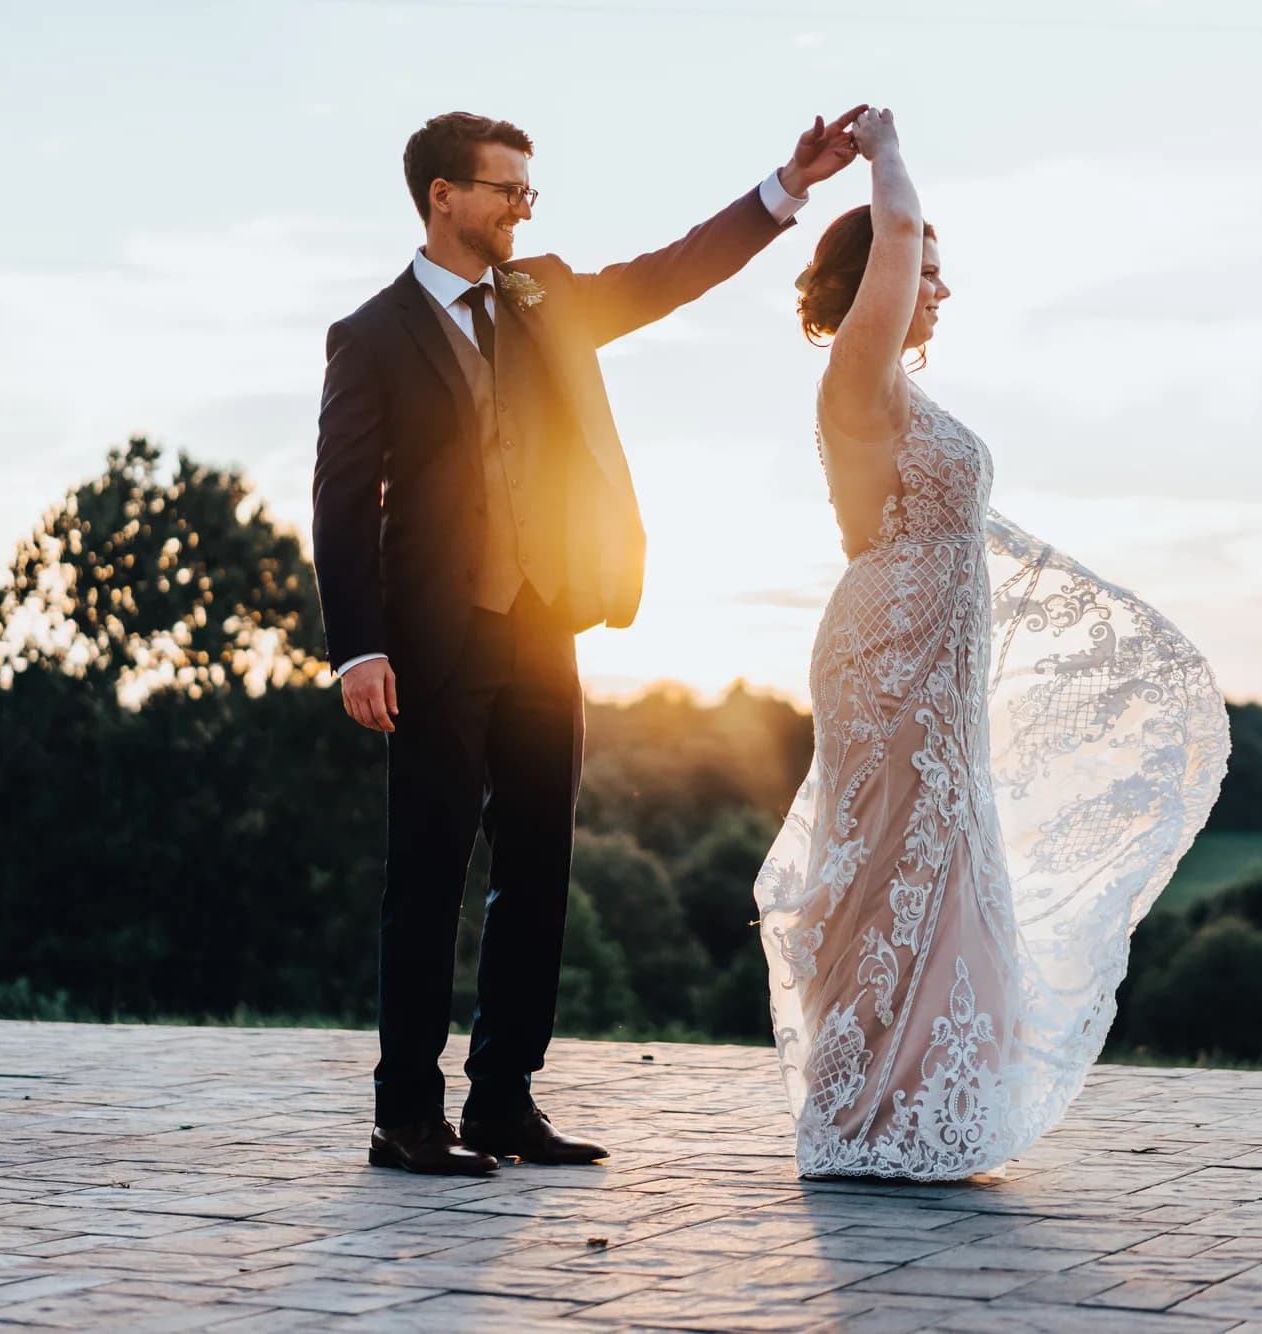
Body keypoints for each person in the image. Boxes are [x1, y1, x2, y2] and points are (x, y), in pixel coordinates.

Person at [312, 107, 864, 1175]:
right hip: (428, 641)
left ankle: (503, 1100)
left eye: (530, 188)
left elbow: (668, 274)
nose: (525, 204)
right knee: (425, 878)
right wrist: (357, 647)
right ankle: (405, 1117)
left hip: (541, 624)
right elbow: (341, 502)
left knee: (540, 866)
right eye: (507, 186)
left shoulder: (544, 294)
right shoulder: (371, 336)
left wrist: (784, 189)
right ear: (443, 197)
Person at [754, 109, 1232, 1180]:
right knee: (893, 861)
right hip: (890, 654)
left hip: (936, 650)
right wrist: (881, 156)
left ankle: (927, 1105)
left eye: (935, 270)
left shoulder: (903, 391)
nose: (938, 286)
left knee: (942, 853)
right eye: (923, 268)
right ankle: (867, 1109)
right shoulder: (857, 371)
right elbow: (896, 229)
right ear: (874, 272)